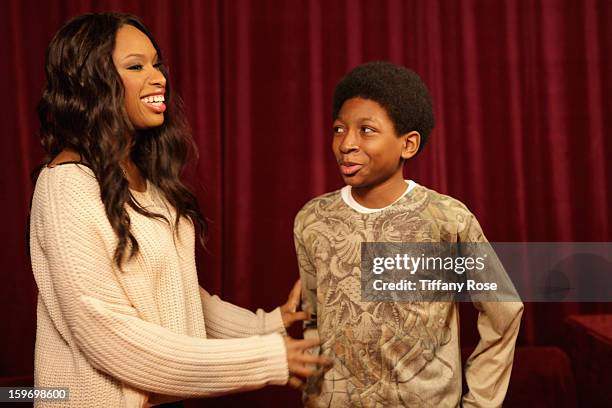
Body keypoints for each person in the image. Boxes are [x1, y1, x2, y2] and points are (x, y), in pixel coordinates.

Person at [30, 12, 328, 407]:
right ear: (90, 84)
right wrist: (267, 358)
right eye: (136, 66)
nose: (159, 78)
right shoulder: (67, 185)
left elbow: (175, 295)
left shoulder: (143, 179)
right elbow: (110, 336)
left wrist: (269, 324)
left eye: (157, 64)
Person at [294, 61, 524, 407]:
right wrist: (314, 394)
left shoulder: (447, 220)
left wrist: (480, 402)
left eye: (366, 130)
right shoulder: (312, 219)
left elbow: (504, 310)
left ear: (409, 144)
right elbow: (313, 316)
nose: (346, 144)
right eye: (339, 129)